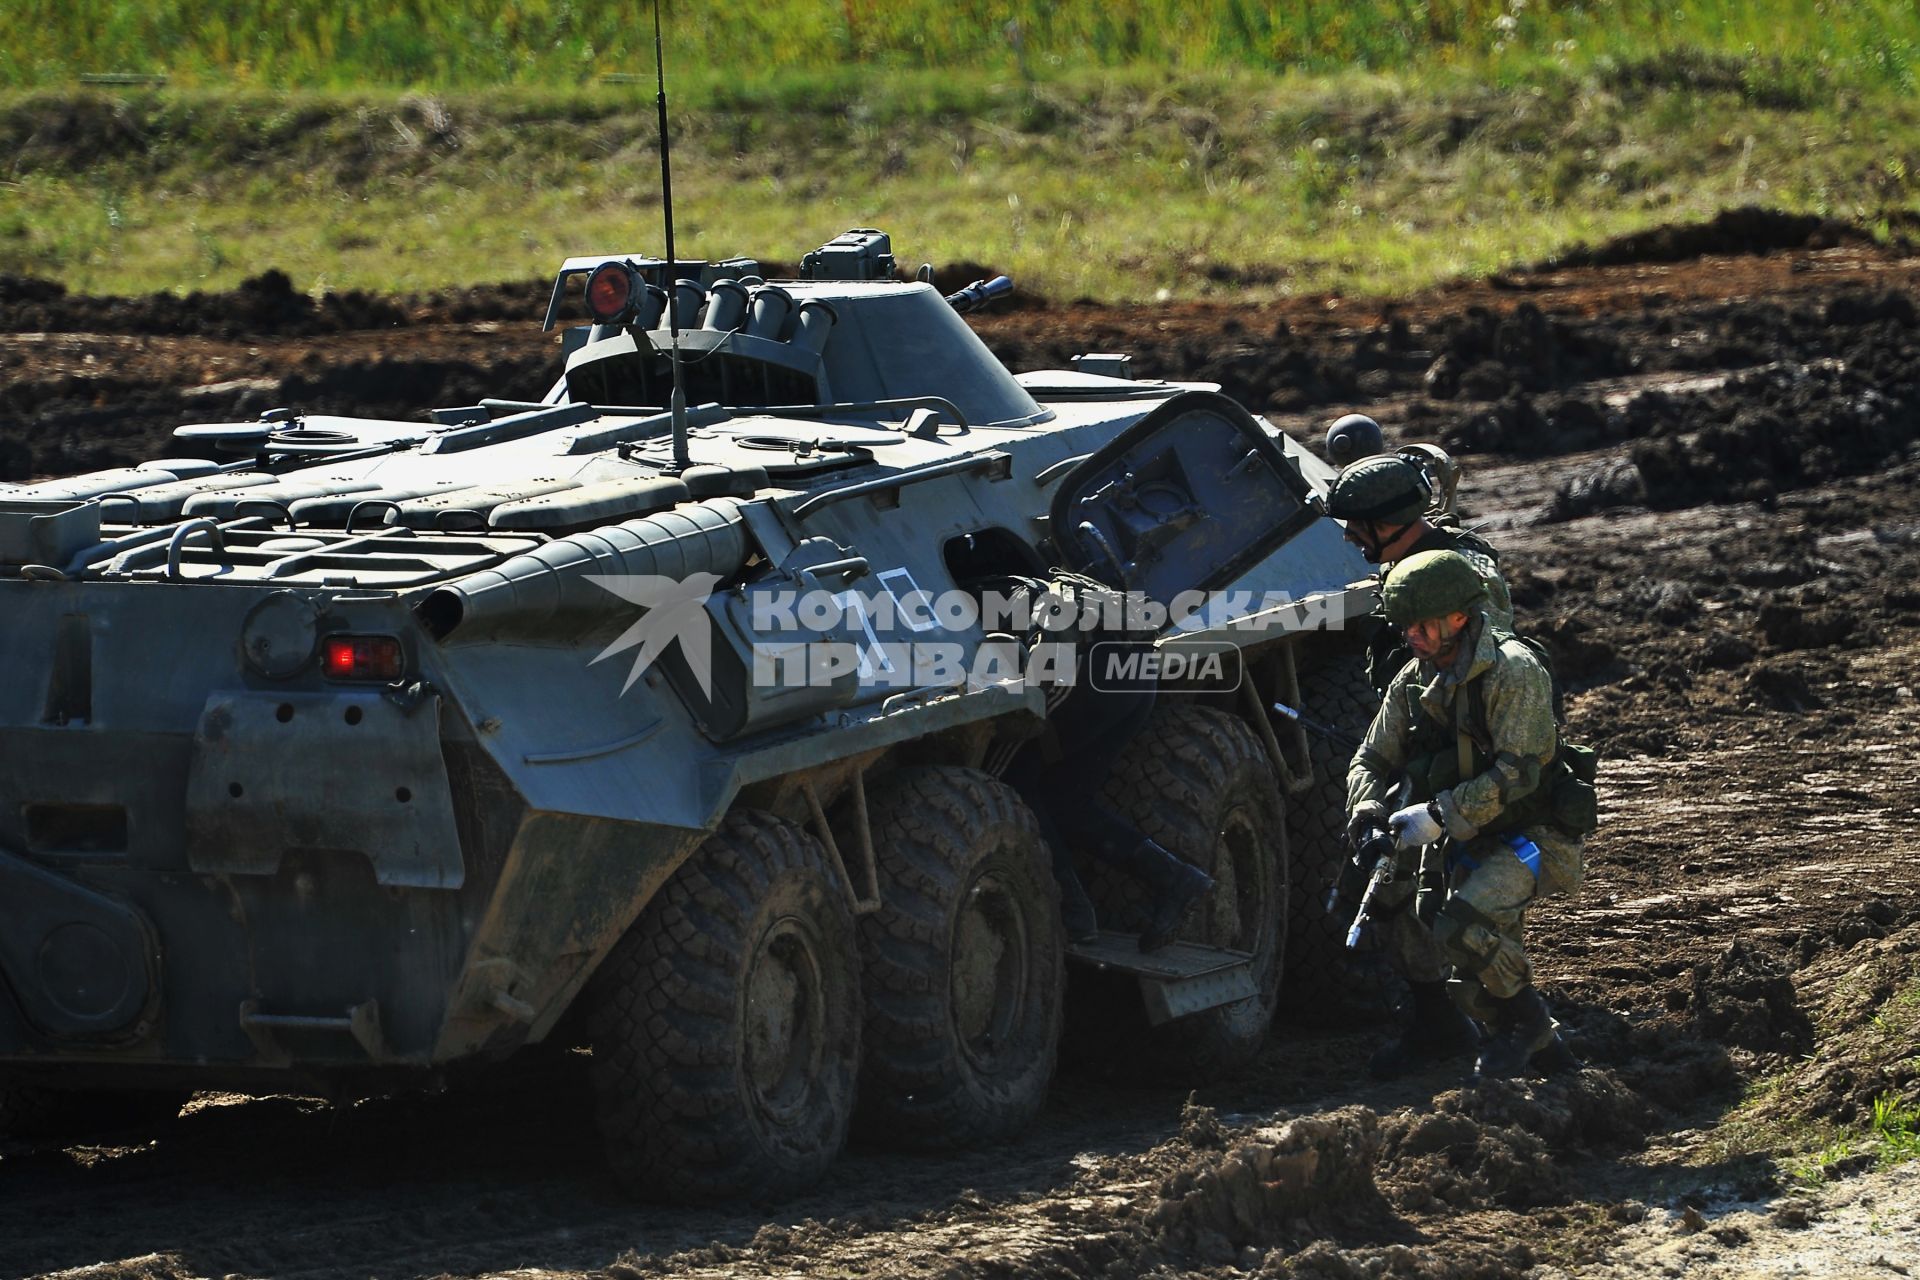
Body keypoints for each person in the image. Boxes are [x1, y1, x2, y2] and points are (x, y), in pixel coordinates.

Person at [1344, 550, 1594, 1079]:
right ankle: (1531, 1059)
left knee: (1465, 924)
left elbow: (1518, 773)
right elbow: (1371, 756)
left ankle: (1527, 1026)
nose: (1410, 637)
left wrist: (1438, 813)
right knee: (1412, 917)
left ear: (1459, 617)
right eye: (1404, 626)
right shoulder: (1415, 678)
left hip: (1531, 834)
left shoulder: (1513, 671)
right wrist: (1366, 810)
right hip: (1463, 834)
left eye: (1421, 626)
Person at [1000, 575, 1214, 953]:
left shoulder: (980, 593)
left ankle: (1071, 912)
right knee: (1063, 800)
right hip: (1135, 673)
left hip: (1094, 673)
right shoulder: (1031, 581)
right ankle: (1175, 880)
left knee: (1012, 779)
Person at [1322, 452, 1514, 696]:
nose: (1348, 536)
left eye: (1359, 525)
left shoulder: (1462, 575)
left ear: (1390, 522)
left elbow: (1498, 674)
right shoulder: (1400, 564)